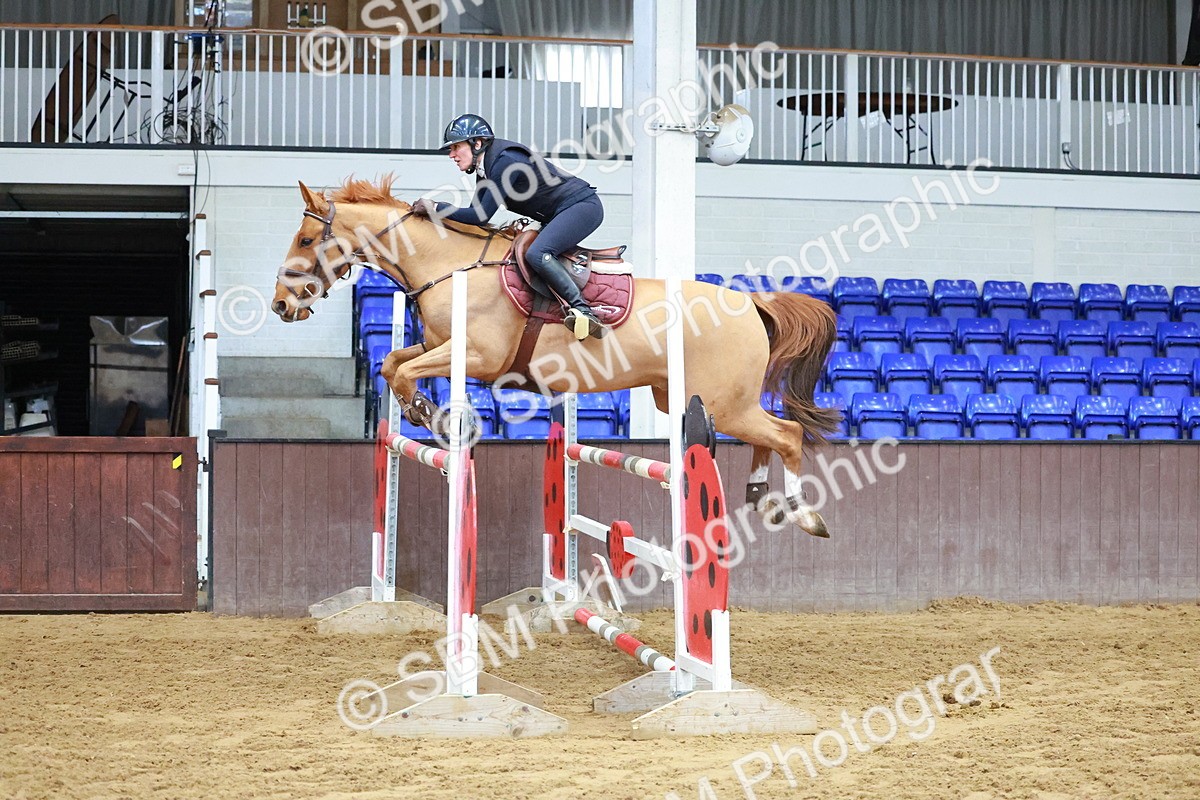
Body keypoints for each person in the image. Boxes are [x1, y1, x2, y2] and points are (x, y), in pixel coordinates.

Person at [411, 114, 608, 340]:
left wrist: (437, 206)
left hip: (582, 207)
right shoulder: (486, 167)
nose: (452, 155)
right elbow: (475, 214)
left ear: (477, 144)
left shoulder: (506, 162)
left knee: (538, 252)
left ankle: (583, 310)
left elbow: (480, 215)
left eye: (456, 147)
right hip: (560, 212)